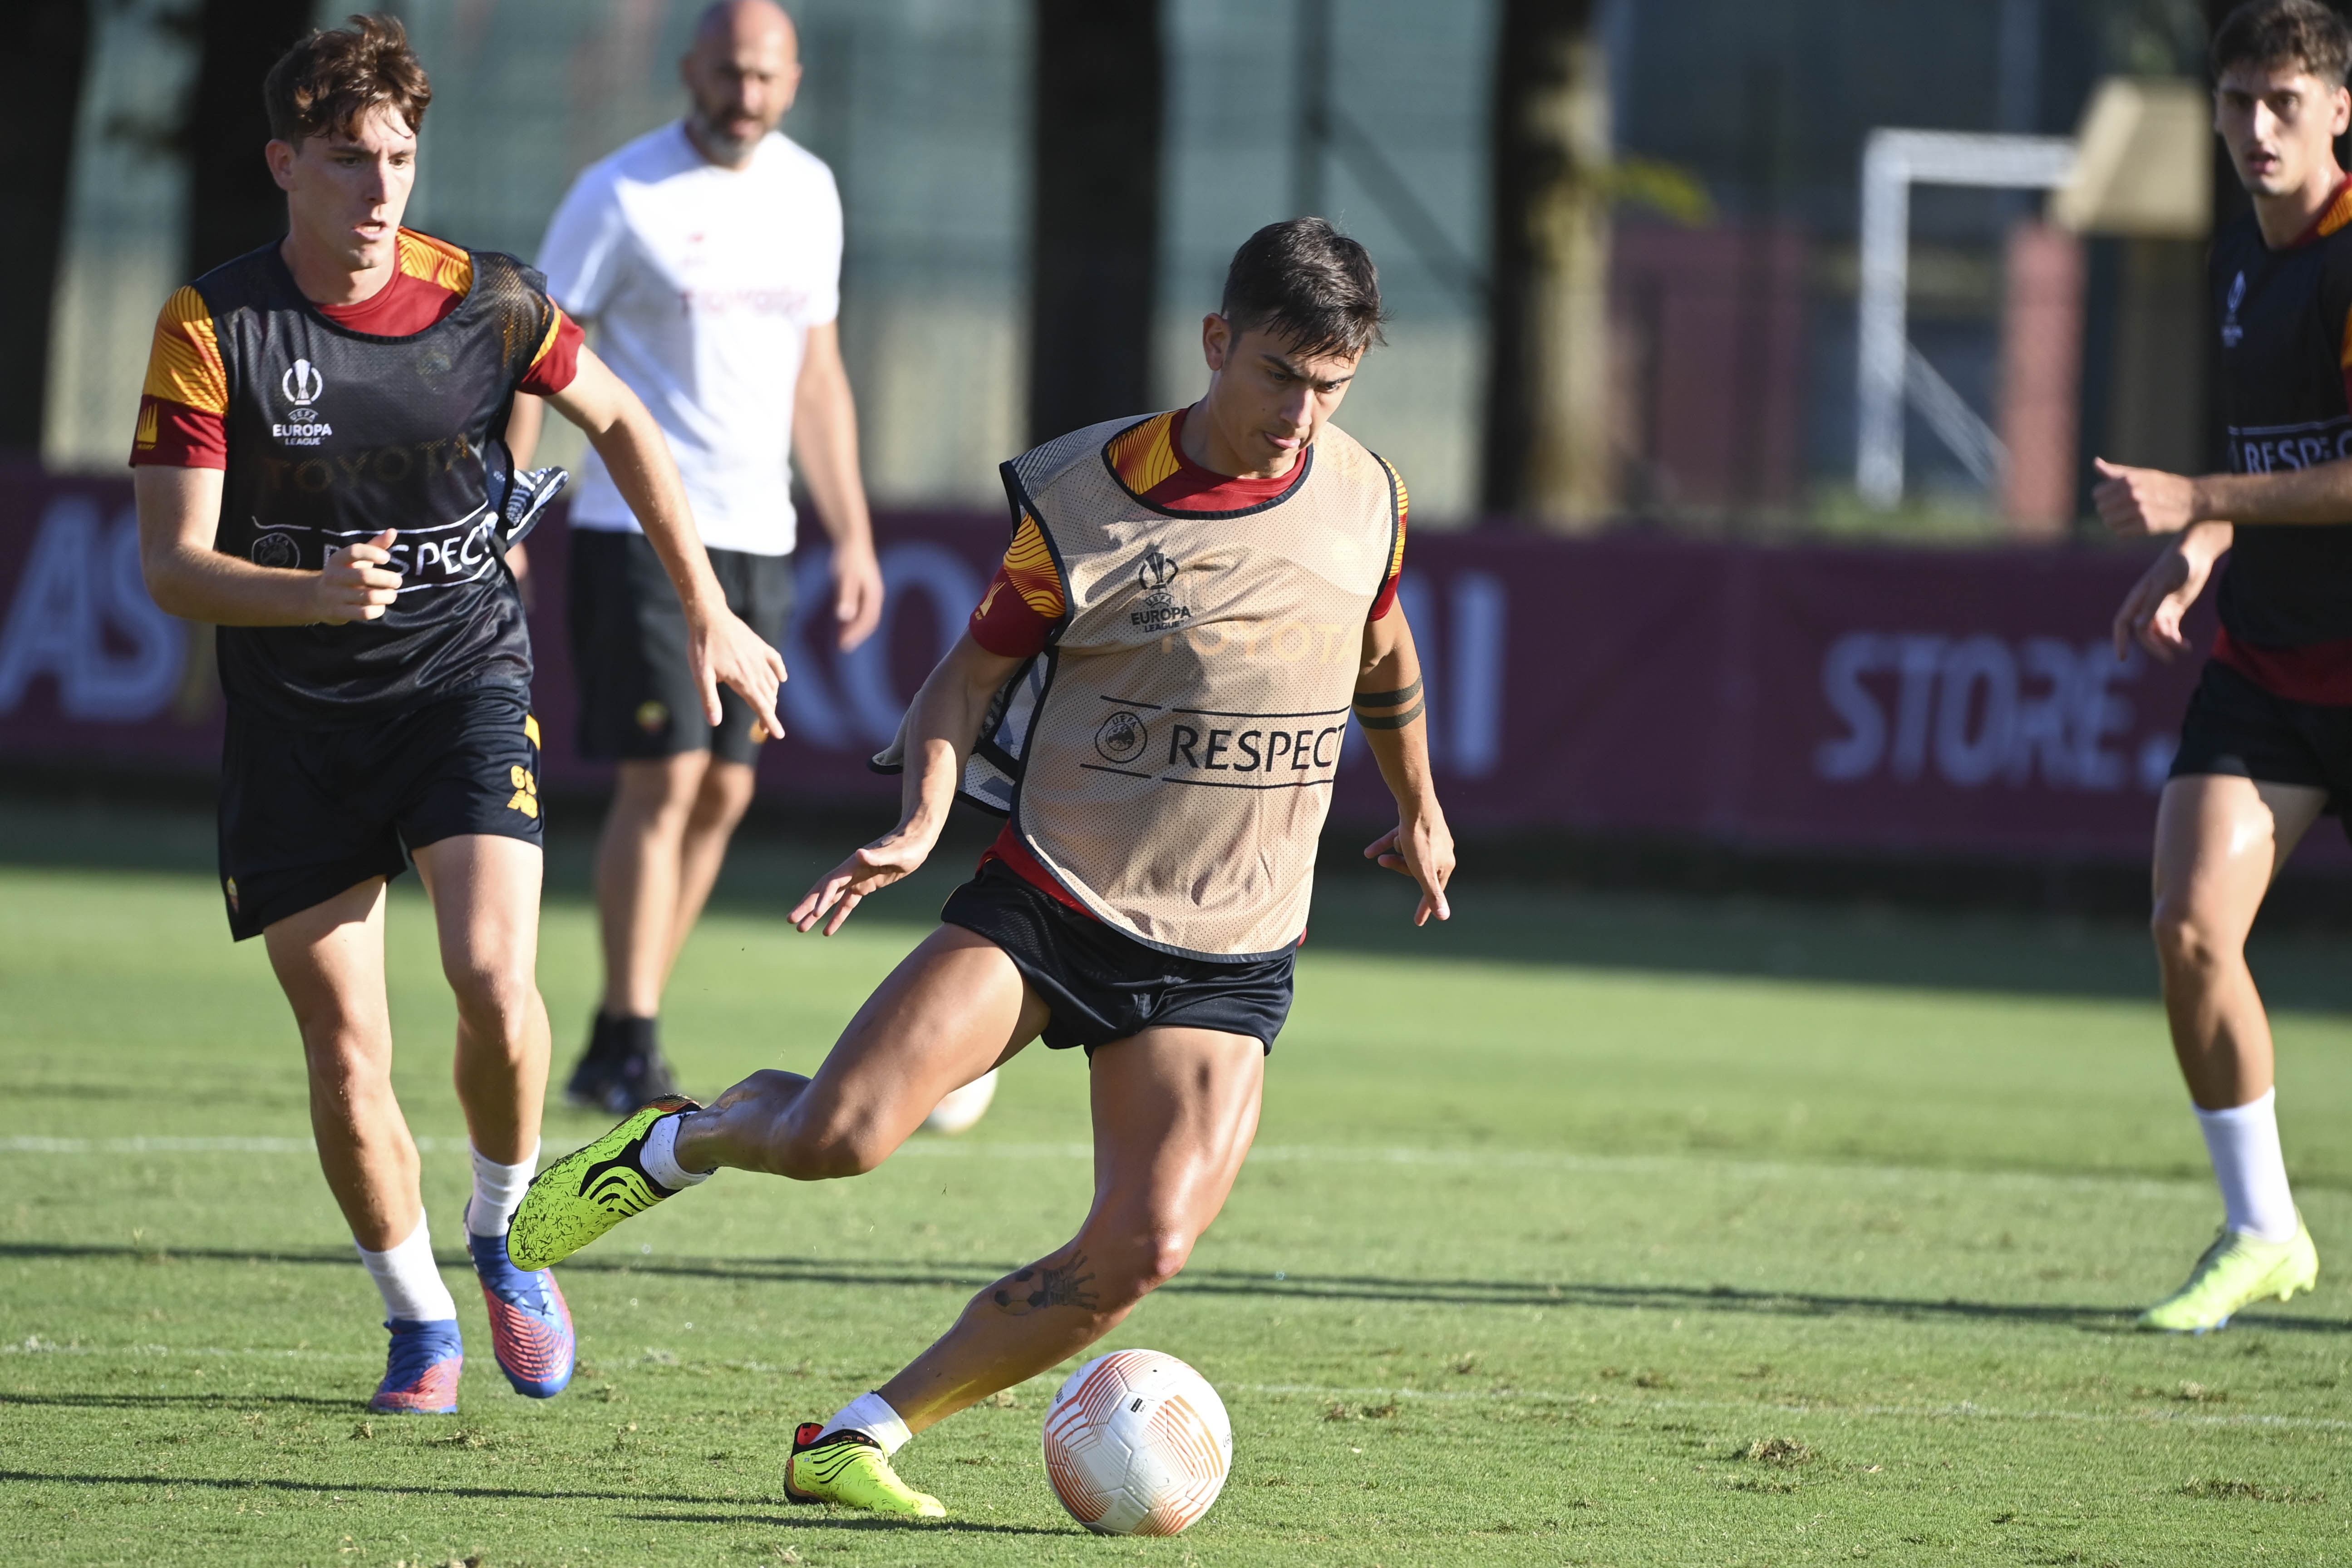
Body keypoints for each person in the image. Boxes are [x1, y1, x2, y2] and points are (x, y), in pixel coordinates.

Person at [509, 218, 1453, 1516]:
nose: (1302, 412)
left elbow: (1381, 651)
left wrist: (1418, 804)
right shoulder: (1085, 503)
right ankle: (685, 1139)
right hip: (1056, 898)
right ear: (1216, 342)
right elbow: (963, 685)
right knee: (839, 1137)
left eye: (1332, 384)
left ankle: (857, 1436)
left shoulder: (1368, 497)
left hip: (1231, 951)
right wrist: (918, 820)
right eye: (1281, 374)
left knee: (1147, 1246)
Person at [130, 14, 785, 1414]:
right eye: (349, 160)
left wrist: (713, 611)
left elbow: (619, 420)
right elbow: (172, 566)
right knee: (346, 1046)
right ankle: (417, 1319)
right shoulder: (213, 326)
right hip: (297, 726)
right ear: (283, 163)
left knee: (493, 978)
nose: (381, 191)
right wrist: (305, 598)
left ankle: (504, 1229)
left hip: (460, 686)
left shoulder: (487, 301)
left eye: (401, 158)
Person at [505, 0, 885, 1115]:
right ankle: (627, 1033)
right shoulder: (621, 192)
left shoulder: (809, 192)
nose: (745, 95)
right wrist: (509, 511)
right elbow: (535, 350)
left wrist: (851, 528)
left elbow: (818, 375)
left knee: (723, 791)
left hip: (759, 531)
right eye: (727, 73)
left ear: (794, 80)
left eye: (764, 76)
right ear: (690, 70)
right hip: (637, 528)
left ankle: (627, 1028)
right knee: (664, 778)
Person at [2096, 0, 2352, 1332]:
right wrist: (2194, 549)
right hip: (2268, 663)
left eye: (2284, 102)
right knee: (2188, 928)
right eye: (2237, 100)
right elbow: (2261, 469)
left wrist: (2193, 493)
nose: (2256, 127)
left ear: (2337, 112)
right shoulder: (2241, 265)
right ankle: (2261, 1228)